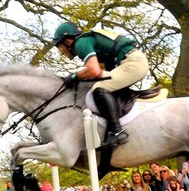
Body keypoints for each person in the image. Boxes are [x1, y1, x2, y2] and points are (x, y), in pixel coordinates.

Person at [52, 21, 149, 149]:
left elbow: (93, 70)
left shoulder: (81, 43)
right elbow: (99, 74)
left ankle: (117, 131)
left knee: (99, 89)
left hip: (132, 63)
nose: (61, 52)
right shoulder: (88, 41)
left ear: (68, 41)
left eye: (60, 47)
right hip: (130, 61)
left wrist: (74, 76)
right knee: (98, 86)